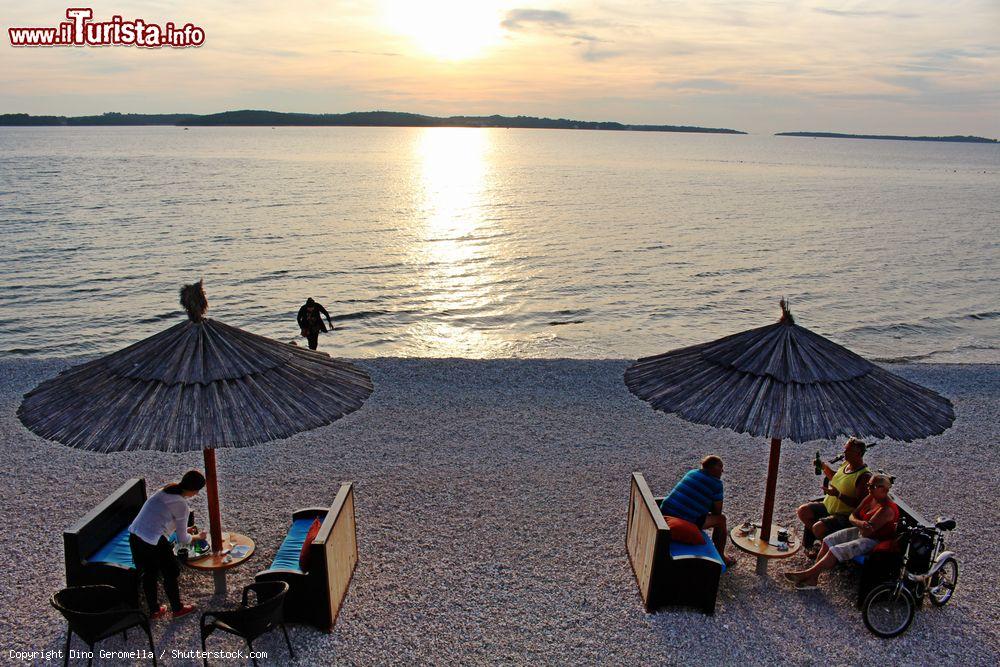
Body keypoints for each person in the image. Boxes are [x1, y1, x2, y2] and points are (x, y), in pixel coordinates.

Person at [784, 474, 898, 589]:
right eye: (868, 485)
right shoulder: (871, 497)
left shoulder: (886, 510)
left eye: (872, 486)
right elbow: (853, 516)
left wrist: (858, 522)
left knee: (835, 550)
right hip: (860, 531)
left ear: (884, 489)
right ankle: (813, 578)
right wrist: (860, 523)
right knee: (828, 540)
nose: (868, 488)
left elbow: (867, 532)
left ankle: (807, 574)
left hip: (874, 541)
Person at [128, 470, 207, 620]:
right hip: (153, 541)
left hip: (135, 535)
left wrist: (180, 528)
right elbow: (183, 539)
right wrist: (198, 536)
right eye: (197, 491)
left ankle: (155, 610)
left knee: (149, 574)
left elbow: (160, 517)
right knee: (171, 571)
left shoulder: (165, 490)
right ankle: (177, 609)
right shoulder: (182, 504)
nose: (196, 494)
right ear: (194, 490)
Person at [796, 437, 872, 558]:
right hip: (829, 505)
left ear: (858, 454)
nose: (844, 453)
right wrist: (824, 467)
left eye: (848, 451)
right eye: (845, 450)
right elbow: (835, 477)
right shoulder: (847, 464)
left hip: (844, 515)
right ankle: (823, 542)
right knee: (803, 511)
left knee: (818, 528)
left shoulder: (864, 476)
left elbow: (859, 504)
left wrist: (838, 495)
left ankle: (827, 548)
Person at [659, 455, 737, 567]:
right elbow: (717, 512)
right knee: (721, 520)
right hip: (683, 520)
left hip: (666, 510)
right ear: (713, 468)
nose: (722, 471)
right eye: (721, 467)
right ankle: (721, 557)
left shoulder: (692, 473)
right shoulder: (716, 484)